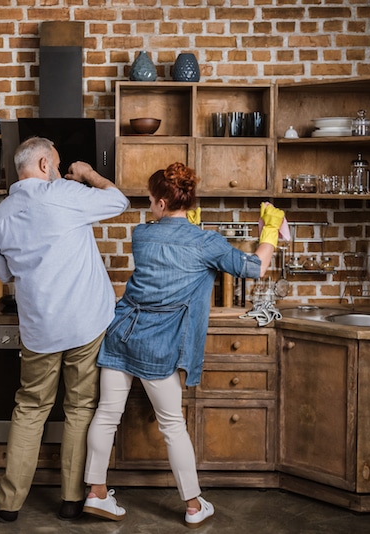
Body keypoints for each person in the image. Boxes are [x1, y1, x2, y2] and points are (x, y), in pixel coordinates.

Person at [81, 162, 283, 528]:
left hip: (122, 333)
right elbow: (255, 268)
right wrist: (270, 231)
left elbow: (172, 247)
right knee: (172, 425)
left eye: (150, 199)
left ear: (160, 202)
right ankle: (193, 505)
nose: (147, 205)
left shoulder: (142, 234)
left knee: (106, 415)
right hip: (160, 346)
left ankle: (96, 494)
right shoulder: (206, 243)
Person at [0, 136, 130, 522]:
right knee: (80, 408)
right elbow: (119, 201)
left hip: (40, 328)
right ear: (46, 165)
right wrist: (87, 173)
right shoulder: (65, 192)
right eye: (60, 164)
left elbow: (2, 273)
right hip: (86, 323)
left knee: (30, 409)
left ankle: (8, 504)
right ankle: (72, 498)